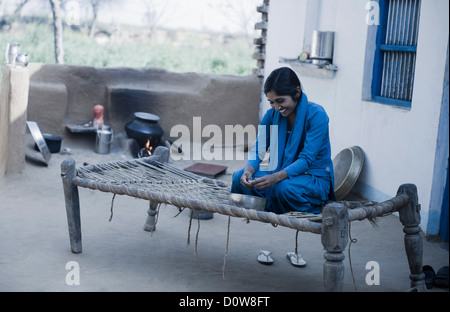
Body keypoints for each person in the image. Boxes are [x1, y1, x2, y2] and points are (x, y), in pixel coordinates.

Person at [230, 67, 335, 267]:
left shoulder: (317, 115)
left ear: (296, 92)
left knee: (283, 187)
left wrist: (276, 177)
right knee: (237, 178)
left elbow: (307, 159)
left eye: (281, 101)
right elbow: (258, 150)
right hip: (280, 174)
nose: (277, 107)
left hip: (312, 178)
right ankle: (273, 200)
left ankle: (275, 202)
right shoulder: (271, 116)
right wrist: (249, 170)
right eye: (271, 102)